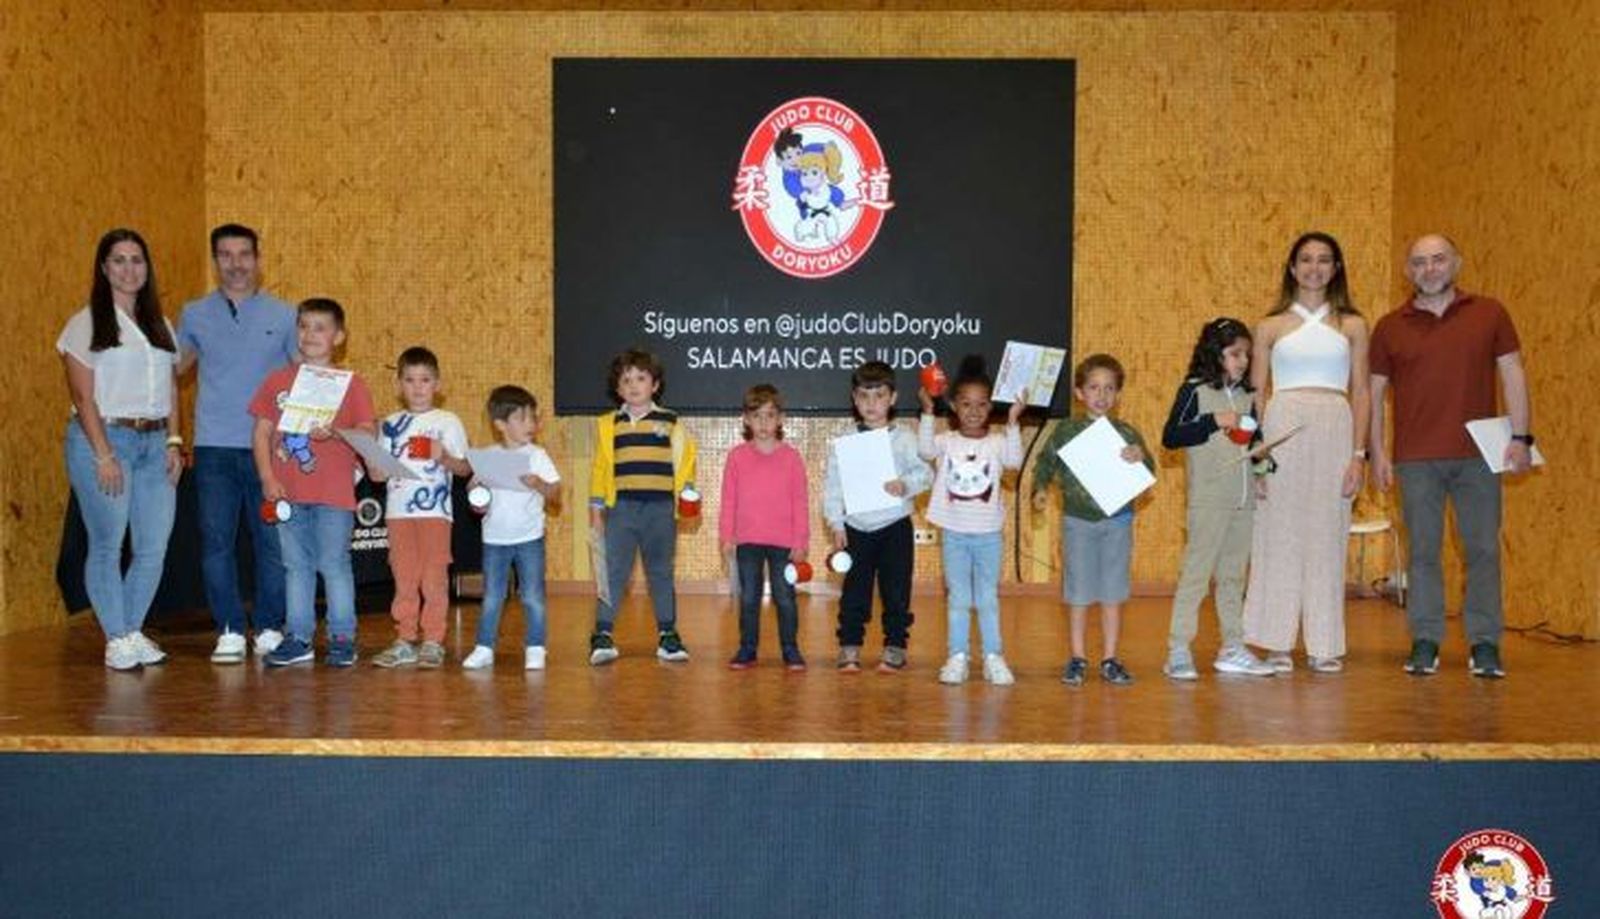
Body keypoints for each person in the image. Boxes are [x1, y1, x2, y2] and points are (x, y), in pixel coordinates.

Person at [1369, 234, 1532, 679]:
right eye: (1419, 262)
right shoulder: (1389, 327)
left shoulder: (1490, 313)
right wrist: (1377, 452)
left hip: (1478, 457)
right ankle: (1425, 639)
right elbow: (1375, 392)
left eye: (1438, 259)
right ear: (1409, 271)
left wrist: (1522, 436)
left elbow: (1513, 371)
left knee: (1481, 549)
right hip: (1415, 459)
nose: (1430, 268)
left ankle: (1485, 643)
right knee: (1423, 552)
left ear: (1456, 263)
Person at [1243, 231, 1369, 674]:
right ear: (1293, 268)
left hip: (1335, 423)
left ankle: (1323, 642)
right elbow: (1255, 393)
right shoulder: (1270, 326)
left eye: (1324, 260)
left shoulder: (1351, 325)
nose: (1314, 267)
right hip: (1283, 425)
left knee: (1326, 532)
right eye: (1306, 260)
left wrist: (1359, 454)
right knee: (1278, 532)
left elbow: (1362, 392)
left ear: (1336, 269)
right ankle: (1276, 639)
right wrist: (1256, 453)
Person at [57, 229, 183, 670]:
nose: (130, 269)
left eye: (137, 260)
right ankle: (116, 637)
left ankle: (129, 630)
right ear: (104, 268)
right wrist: (103, 454)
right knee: (108, 544)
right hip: (107, 440)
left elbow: (170, 389)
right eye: (119, 260)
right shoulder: (86, 322)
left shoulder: (159, 325)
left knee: (153, 546)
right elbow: (82, 395)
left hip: (154, 444)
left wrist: (173, 440)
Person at [176, 224, 298, 663]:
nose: (236, 264)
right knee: (215, 542)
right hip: (213, 449)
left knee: (272, 543)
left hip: (270, 450)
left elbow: (304, 378)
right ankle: (228, 628)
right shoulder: (193, 314)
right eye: (225, 255)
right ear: (215, 262)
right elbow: (169, 372)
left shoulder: (286, 315)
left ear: (258, 259)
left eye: (244, 254)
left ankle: (268, 626)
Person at [248, 298, 376, 667]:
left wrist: (336, 432)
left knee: (334, 564)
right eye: (303, 326)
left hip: (333, 493)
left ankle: (341, 637)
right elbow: (261, 434)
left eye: (320, 327)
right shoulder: (278, 381)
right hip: (288, 492)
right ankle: (299, 636)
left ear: (339, 337)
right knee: (295, 566)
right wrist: (268, 477)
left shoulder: (352, 385)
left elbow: (368, 432)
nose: (310, 334)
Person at [1159, 319, 1276, 680]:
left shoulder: (1246, 394)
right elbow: (1171, 436)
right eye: (1234, 354)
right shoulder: (1194, 391)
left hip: (1243, 502)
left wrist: (1262, 467)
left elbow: (1255, 441)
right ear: (1215, 353)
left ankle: (1233, 647)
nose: (1242, 361)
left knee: (1233, 578)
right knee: (1196, 575)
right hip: (1209, 500)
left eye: (1246, 355)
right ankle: (1178, 650)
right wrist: (1214, 420)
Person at [1033, 354, 1154, 686]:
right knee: (1079, 592)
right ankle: (1077, 657)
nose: (1101, 395)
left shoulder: (1127, 432)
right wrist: (1040, 489)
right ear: (1079, 392)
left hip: (1118, 522)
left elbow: (1149, 471)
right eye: (1094, 387)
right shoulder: (1066, 431)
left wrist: (1139, 457)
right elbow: (1045, 463)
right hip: (1078, 523)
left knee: (1113, 592)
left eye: (1109, 388)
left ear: (1118, 395)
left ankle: (1110, 658)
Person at [917, 355, 1025, 685]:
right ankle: (957, 656)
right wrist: (926, 412)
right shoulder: (947, 442)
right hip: (955, 536)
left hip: (989, 535)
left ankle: (993, 656)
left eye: (981, 404)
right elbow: (924, 451)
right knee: (960, 598)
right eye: (966, 404)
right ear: (954, 406)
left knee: (987, 598)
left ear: (990, 406)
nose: (974, 411)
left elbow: (1015, 460)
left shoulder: (997, 443)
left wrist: (1013, 422)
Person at [587, 349, 697, 665]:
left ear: (655, 384)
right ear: (618, 389)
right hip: (621, 508)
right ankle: (603, 633)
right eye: (626, 380)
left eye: (640, 378)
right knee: (614, 571)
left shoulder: (670, 422)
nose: (633, 385)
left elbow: (685, 463)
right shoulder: (610, 424)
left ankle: (668, 635)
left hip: (661, 509)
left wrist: (688, 493)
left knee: (660, 572)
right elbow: (600, 469)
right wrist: (596, 508)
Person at [822, 360, 934, 673]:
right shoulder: (843, 442)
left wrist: (906, 485)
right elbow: (832, 487)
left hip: (895, 526)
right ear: (854, 400)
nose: (872, 404)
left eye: (879, 395)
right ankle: (849, 646)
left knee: (896, 591)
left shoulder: (906, 437)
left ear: (893, 398)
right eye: (864, 396)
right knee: (854, 592)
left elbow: (926, 474)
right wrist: (836, 523)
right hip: (857, 528)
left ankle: (895, 646)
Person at [367, 347, 470, 669]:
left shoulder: (447, 421)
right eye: (409, 380)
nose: (417, 387)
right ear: (398, 385)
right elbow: (378, 475)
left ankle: (433, 639)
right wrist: (371, 459)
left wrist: (443, 456)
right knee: (405, 577)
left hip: (434, 514)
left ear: (437, 384)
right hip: (399, 514)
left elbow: (465, 468)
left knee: (433, 577)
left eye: (425, 380)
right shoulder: (390, 424)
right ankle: (405, 637)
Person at [462, 386, 561, 671]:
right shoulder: (487, 456)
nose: (531, 424)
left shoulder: (537, 455)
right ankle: (484, 647)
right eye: (523, 418)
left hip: (530, 538)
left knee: (532, 595)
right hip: (494, 538)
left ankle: (535, 646)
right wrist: (476, 497)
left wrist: (539, 485)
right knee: (492, 595)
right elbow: (475, 496)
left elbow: (555, 493)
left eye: (533, 417)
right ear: (501, 425)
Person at [719, 383, 810, 671]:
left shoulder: (792, 457)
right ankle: (747, 648)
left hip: (784, 543)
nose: (763, 423)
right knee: (749, 597)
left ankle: (790, 648)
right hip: (747, 541)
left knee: (785, 597)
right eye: (756, 416)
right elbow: (728, 500)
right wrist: (726, 536)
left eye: (770, 415)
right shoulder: (736, 456)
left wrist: (800, 540)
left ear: (781, 419)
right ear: (746, 419)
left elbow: (800, 501)